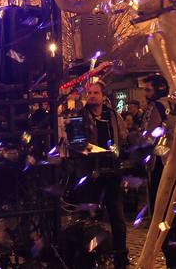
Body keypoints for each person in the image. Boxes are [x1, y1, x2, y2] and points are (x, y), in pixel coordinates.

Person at [134, 73, 176, 268]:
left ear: (160, 89)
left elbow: (148, 137)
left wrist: (134, 140)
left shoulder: (156, 107)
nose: (145, 94)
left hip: (163, 167)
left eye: (148, 89)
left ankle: (173, 260)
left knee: (163, 216)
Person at [71, 79, 128, 269]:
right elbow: (77, 143)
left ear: (103, 96)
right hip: (91, 173)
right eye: (89, 93)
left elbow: (123, 137)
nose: (92, 96)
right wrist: (93, 152)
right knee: (89, 217)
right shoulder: (80, 116)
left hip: (112, 172)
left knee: (117, 217)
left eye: (96, 93)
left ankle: (121, 257)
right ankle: (89, 258)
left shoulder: (112, 116)